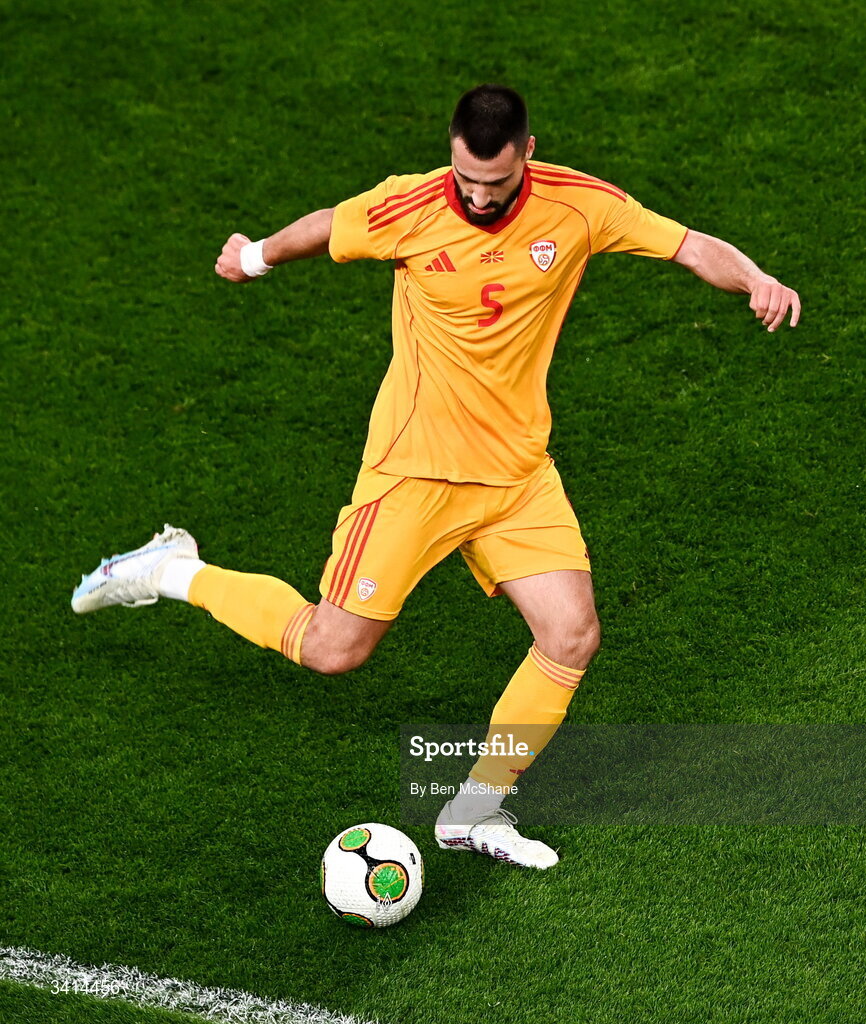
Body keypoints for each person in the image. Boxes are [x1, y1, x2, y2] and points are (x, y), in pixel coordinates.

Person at [72, 85, 801, 869]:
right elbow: (328, 228)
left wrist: (755, 278)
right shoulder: (411, 206)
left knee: (571, 634)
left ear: (527, 151)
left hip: (517, 473)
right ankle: (175, 569)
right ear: (451, 151)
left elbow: (689, 244)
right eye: (466, 179)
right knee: (332, 648)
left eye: (495, 182)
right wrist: (254, 256)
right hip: (413, 471)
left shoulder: (579, 205)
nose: (479, 197)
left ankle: (475, 810)